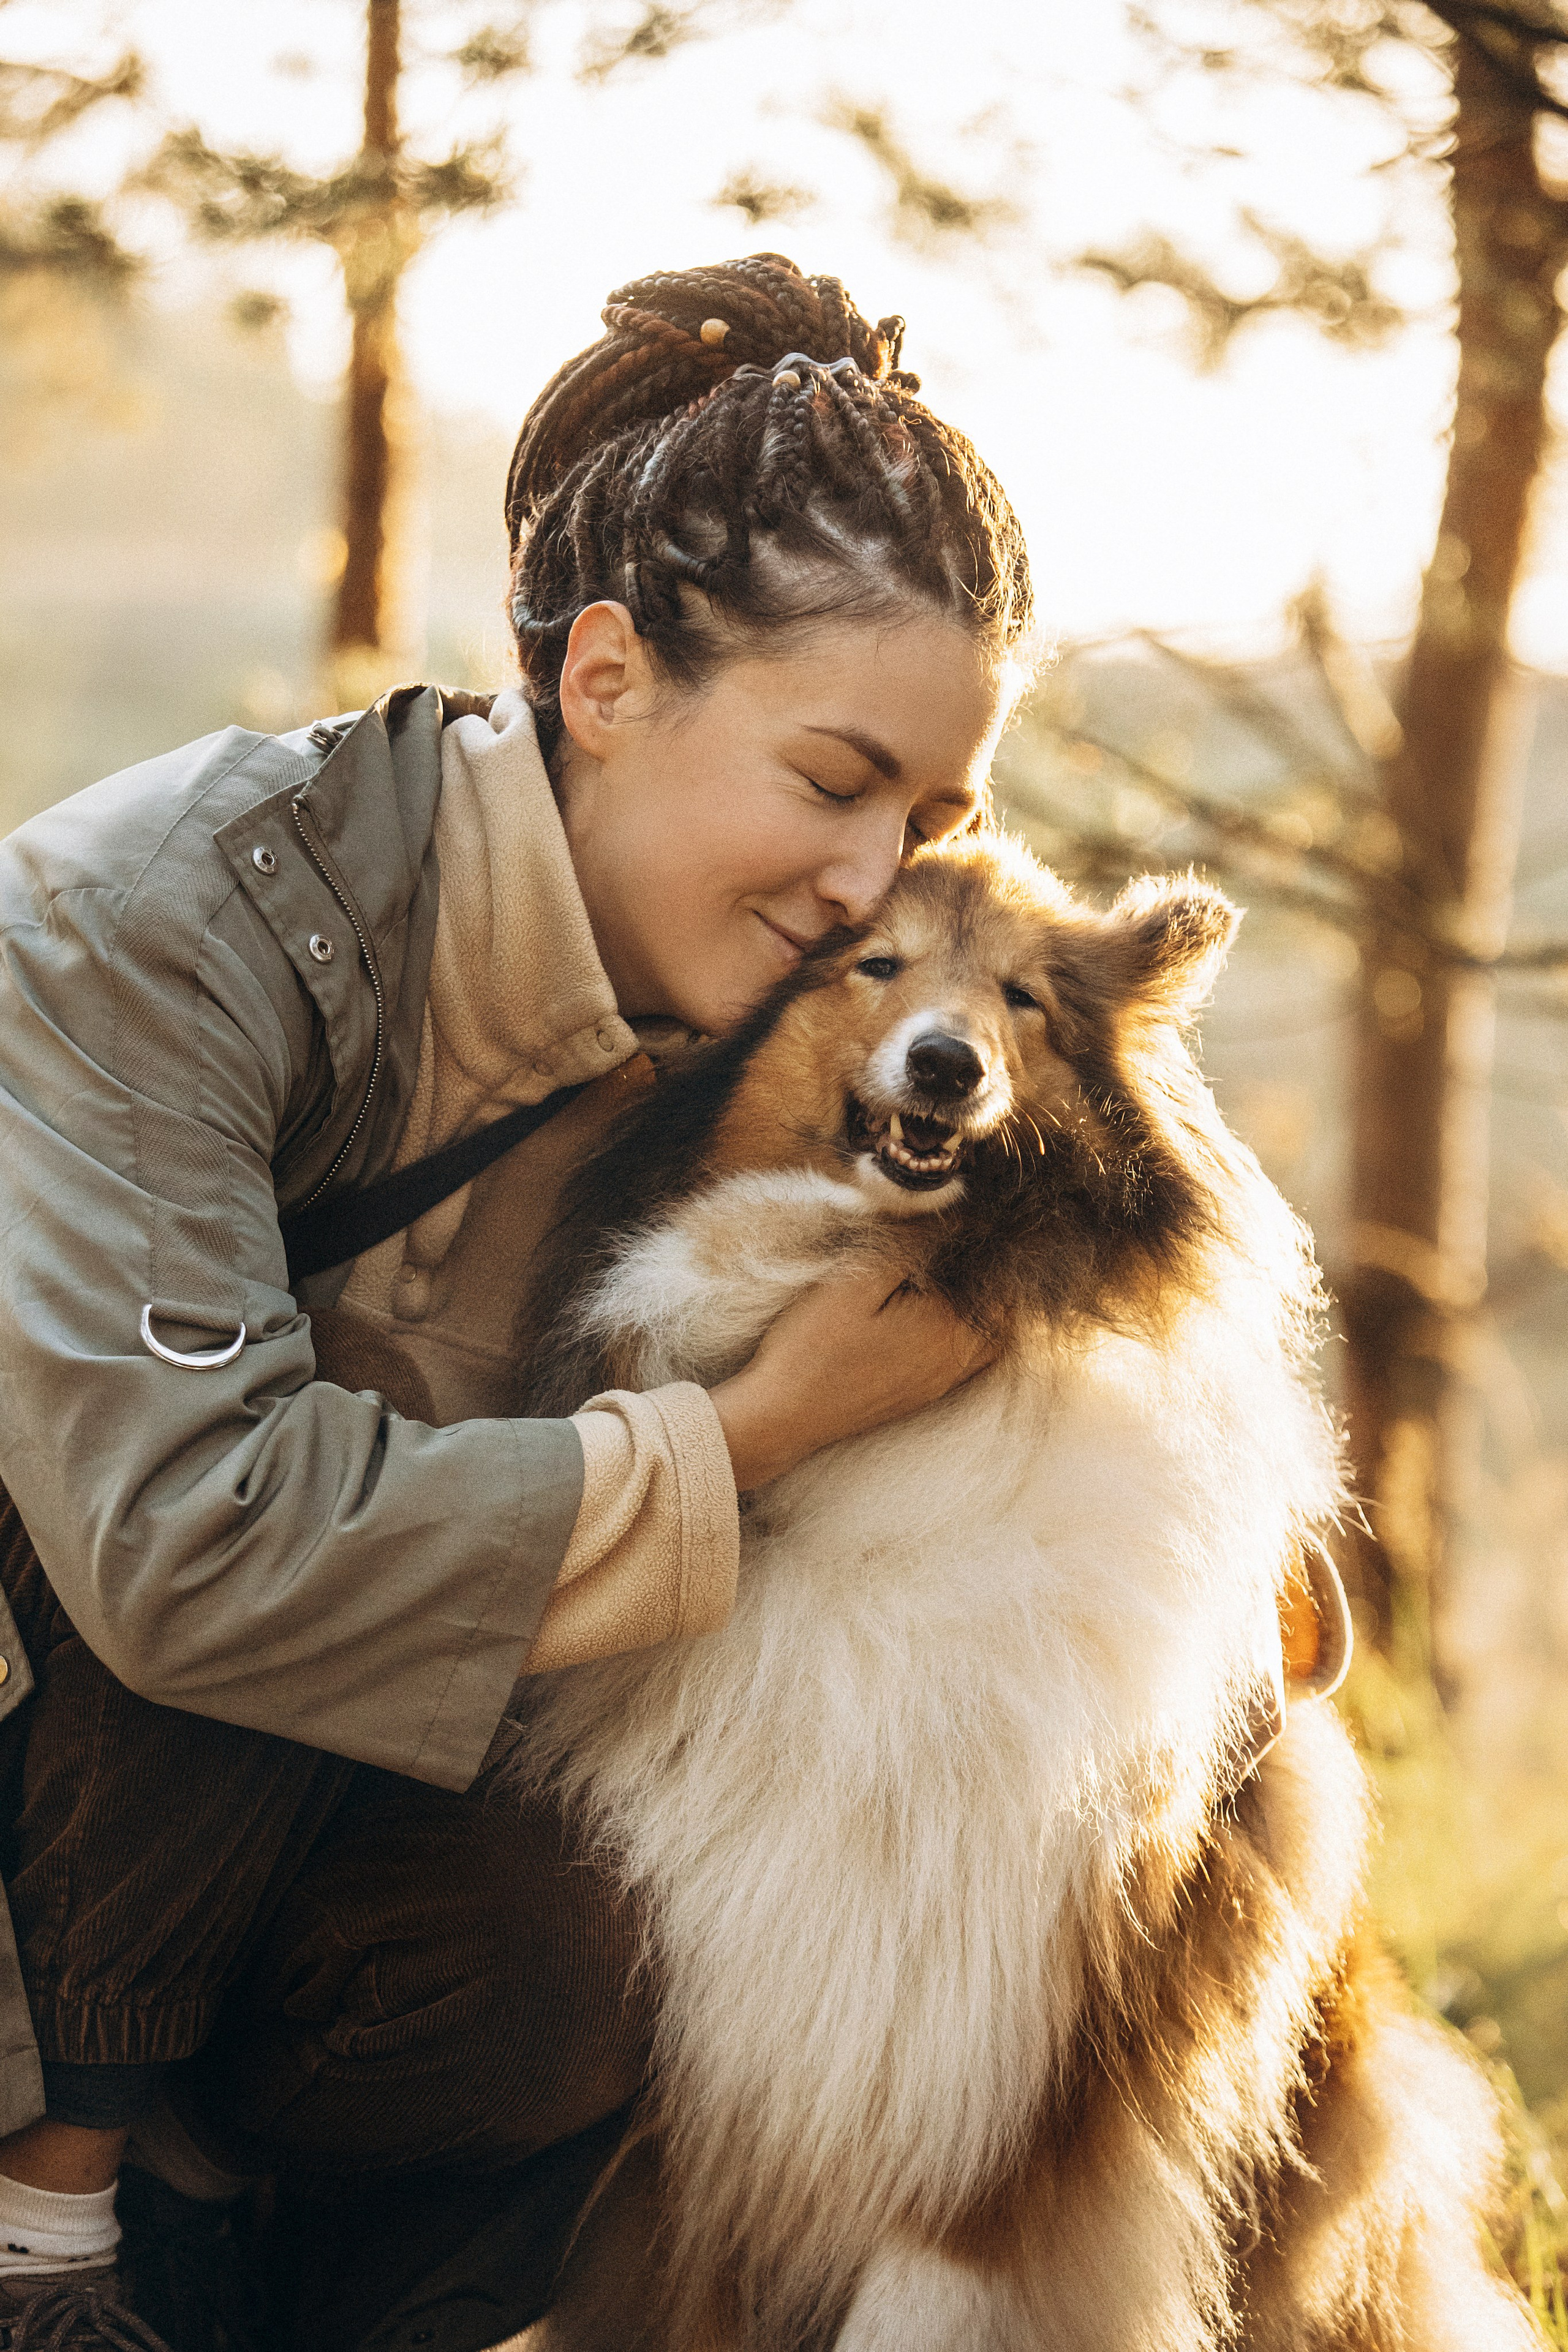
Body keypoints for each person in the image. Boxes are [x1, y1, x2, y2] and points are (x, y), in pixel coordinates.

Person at [0, 252, 1035, 2351]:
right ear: (602, 678)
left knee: (604, 1961)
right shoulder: (153, 923)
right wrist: (739, 1442)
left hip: (317, 1869)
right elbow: (194, 1549)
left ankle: (237, 2275)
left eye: (934, 817)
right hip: (52, 1796)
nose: (875, 878)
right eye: (835, 783)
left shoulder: (787, 1042)